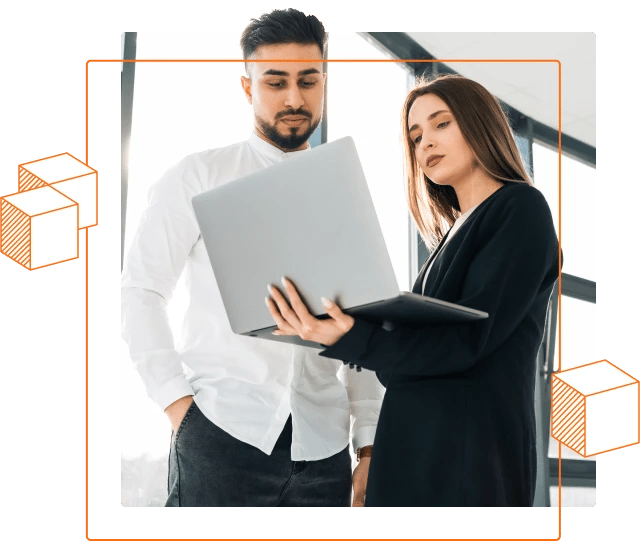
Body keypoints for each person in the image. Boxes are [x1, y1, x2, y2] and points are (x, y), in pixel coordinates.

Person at [121, 9, 384, 507]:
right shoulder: (196, 176)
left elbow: (363, 321)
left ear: (324, 82)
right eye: (275, 82)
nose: (294, 98)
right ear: (247, 88)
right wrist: (179, 406)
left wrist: (368, 444)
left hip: (324, 449)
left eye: (309, 81)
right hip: (221, 432)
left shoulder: (342, 192)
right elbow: (141, 289)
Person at [266, 74, 561, 506]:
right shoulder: (447, 238)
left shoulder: (520, 208)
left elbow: (467, 341)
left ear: (481, 125)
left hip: (465, 461)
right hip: (412, 453)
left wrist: (351, 336)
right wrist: (343, 322)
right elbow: (400, 366)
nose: (425, 144)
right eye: (415, 136)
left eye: (441, 124)